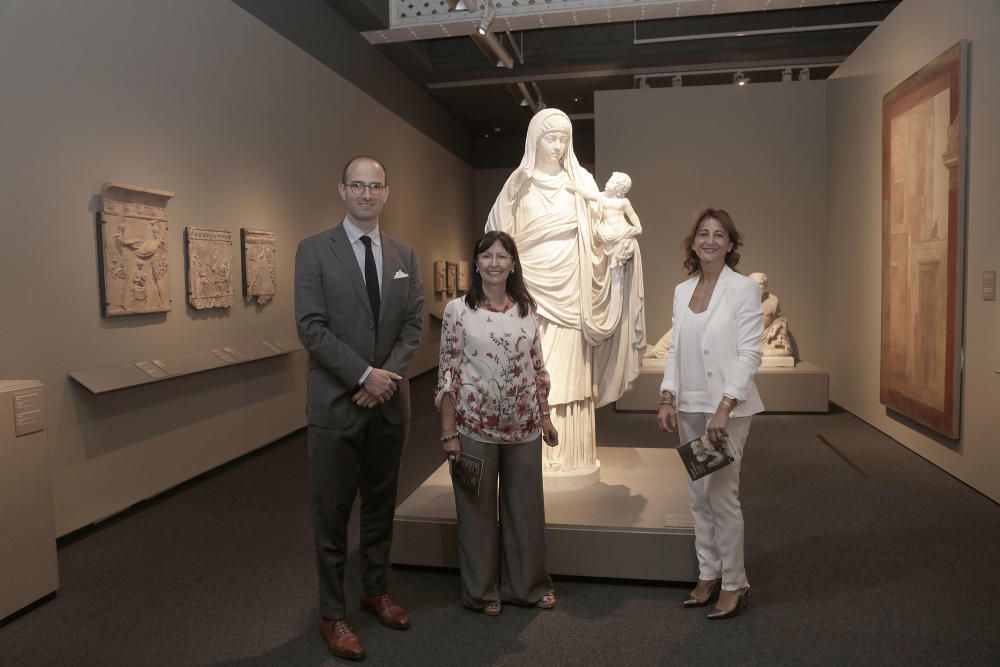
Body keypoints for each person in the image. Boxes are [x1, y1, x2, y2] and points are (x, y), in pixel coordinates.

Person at [294, 156, 425, 660]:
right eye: (358, 185)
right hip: (336, 406)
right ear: (342, 191)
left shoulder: (404, 256)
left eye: (375, 186)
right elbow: (311, 327)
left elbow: (414, 326)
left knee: (380, 509)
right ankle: (333, 613)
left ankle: (375, 590)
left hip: (389, 408)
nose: (367, 194)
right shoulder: (314, 252)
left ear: (386, 193)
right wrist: (363, 375)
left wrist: (384, 379)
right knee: (331, 516)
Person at [486, 109, 645, 477]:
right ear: (534, 139)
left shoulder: (582, 180)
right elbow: (496, 235)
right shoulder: (517, 184)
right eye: (549, 138)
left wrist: (620, 249)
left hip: (571, 289)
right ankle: (528, 456)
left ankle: (570, 451)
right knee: (528, 366)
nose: (557, 146)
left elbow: (600, 234)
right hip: (529, 289)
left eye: (563, 138)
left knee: (568, 370)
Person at [435, 230, 559, 616]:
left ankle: (528, 587)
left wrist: (545, 415)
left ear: (513, 264)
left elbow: (537, 367)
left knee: (526, 510)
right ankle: (481, 591)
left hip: (524, 429)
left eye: (502, 256)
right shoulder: (459, 310)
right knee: (476, 513)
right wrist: (449, 432)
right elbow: (448, 374)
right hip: (474, 429)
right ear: (476, 264)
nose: (494, 262)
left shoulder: (526, 309)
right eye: (486, 255)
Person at [656, 208, 764, 620]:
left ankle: (735, 583)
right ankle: (707, 573)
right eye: (703, 233)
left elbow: (750, 353)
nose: (710, 240)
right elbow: (675, 350)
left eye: (720, 234)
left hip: (728, 411)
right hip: (690, 406)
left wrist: (725, 406)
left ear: (731, 245)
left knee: (722, 496)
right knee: (698, 495)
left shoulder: (743, 290)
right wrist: (668, 396)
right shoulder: (683, 291)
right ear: (693, 242)